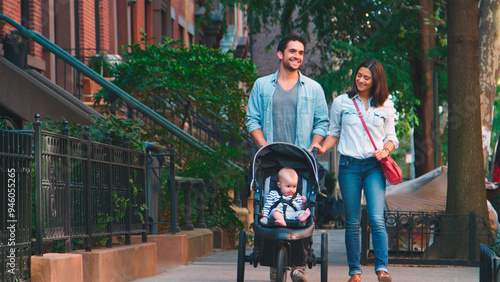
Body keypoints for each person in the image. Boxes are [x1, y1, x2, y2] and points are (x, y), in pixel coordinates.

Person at [245, 34, 329, 282]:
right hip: (271, 159)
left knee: (303, 207)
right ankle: (271, 257)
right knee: (268, 203)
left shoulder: (313, 88)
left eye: (301, 52)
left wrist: (316, 142)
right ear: (280, 54)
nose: (297, 56)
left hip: (301, 158)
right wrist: (264, 146)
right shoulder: (262, 85)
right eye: (292, 51)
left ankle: (299, 265)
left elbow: (322, 122)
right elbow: (252, 120)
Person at [314, 59, 398, 282]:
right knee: (351, 221)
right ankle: (355, 273)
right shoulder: (342, 102)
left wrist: (385, 151)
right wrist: (322, 147)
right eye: (359, 75)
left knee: (377, 219)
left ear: (375, 81)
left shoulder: (385, 105)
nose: (360, 80)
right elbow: (334, 132)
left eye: (366, 77)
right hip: (348, 166)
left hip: (374, 167)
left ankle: (382, 270)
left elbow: (391, 138)